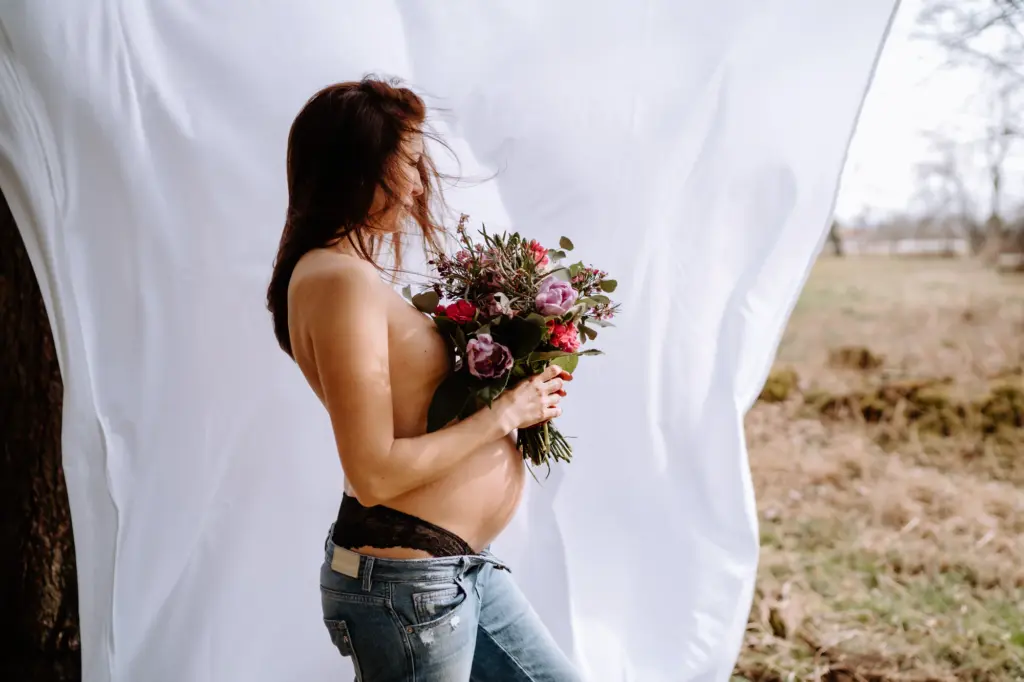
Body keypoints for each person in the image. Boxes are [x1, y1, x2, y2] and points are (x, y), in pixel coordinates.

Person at [266, 76, 582, 681]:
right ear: (360, 167)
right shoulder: (338, 282)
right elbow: (374, 472)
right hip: (408, 590)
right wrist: (504, 414)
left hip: (451, 574)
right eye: (407, 163)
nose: (417, 183)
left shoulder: (340, 275)